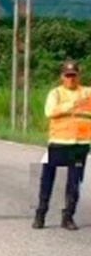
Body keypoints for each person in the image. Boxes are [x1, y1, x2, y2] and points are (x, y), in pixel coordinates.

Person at [33, 59, 91, 230]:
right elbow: (50, 111)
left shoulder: (87, 92)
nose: (71, 79)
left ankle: (68, 216)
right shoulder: (55, 93)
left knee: (74, 182)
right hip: (58, 144)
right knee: (46, 179)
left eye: (73, 75)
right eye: (67, 75)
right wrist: (72, 105)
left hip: (79, 145)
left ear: (78, 76)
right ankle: (40, 214)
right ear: (62, 77)